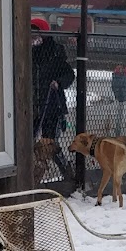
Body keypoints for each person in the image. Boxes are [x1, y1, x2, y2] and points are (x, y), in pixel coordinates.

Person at [32, 17, 76, 177]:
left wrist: (58, 82)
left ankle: (67, 172)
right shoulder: (24, 51)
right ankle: (35, 174)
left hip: (52, 105)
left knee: (51, 143)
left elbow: (69, 74)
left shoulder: (55, 53)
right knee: (28, 142)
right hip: (32, 106)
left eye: (36, 32)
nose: (33, 37)